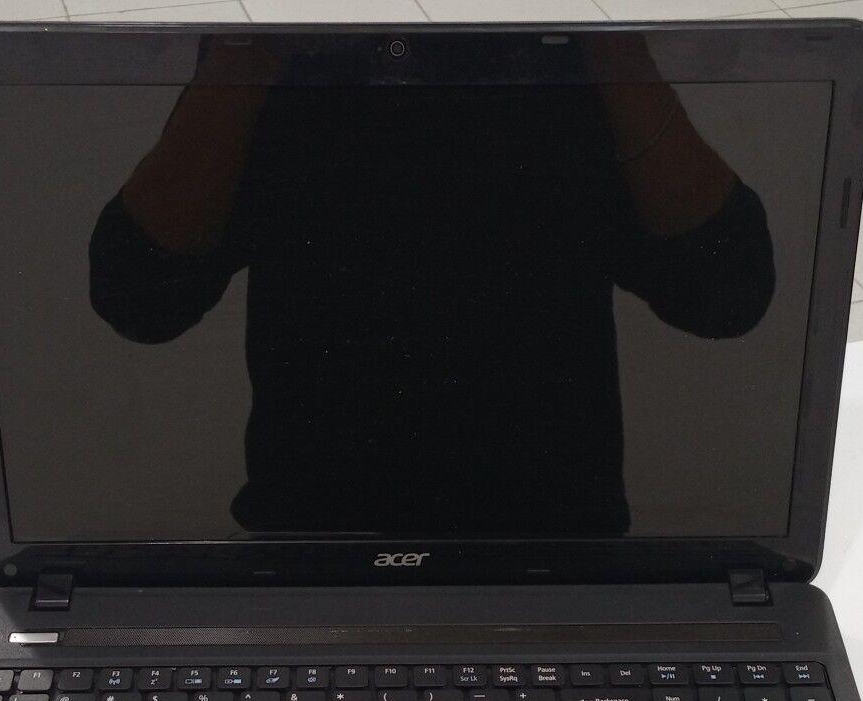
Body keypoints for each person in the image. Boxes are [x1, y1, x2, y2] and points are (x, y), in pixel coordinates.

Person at [89, 37, 774, 536]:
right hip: (314, 551)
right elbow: (142, 293)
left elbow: (724, 289)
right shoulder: (291, 55)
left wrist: (607, 44)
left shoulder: (557, 52)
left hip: (553, 556)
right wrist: (249, 52)